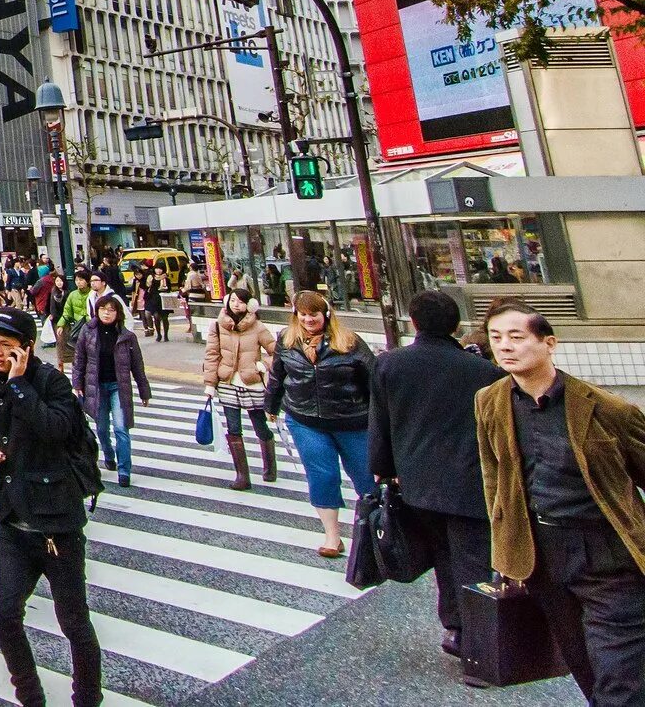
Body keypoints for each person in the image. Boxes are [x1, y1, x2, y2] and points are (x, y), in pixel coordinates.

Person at [477, 299, 645, 704]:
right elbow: (494, 478)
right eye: (496, 338)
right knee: (584, 665)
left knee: (619, 674)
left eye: (517, 337)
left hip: (607, 553)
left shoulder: (608, 409)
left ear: (548, 342)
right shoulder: (489, 400)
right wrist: (505, 554)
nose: (505, 347)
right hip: (542, 554)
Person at [0, 306, 103, 707]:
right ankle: (29, 694)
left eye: (7, 346)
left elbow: (55, 429)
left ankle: (87, 696)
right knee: (5, 613)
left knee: (74, 622)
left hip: (56, 523)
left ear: (27, 348)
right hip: (13, 518)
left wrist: (18, 385)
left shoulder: (50, 382)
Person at [368, 289, 504, 659]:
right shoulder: (485, 372)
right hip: (469, 480)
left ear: (413, 321)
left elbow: (381, 423)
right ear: (456, 325)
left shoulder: (389, 364)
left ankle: (456, 626)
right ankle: (478, 643)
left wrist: (383, 470)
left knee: (444, 554)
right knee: (474, 558)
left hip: (417, 481)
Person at [264, 289, 374, 558]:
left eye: (313, 314)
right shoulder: (286, 341)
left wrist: (380, 416)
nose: (308, 319)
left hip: (352, 420)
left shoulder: (349, 342)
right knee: (322, 476)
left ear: (326, 314)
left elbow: (373, 380)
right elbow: (278, 375)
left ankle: (375, 532)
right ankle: (332, 536)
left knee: (366, 476)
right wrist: (271, 405)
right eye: (302, 314)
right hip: (305, 419)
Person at [200, 288, 278, 491]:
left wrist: (264, 365)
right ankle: (242, 476)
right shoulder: (217, 326)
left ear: (249, 305)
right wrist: (209, 383)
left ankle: (270, 466)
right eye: (233, 300)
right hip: (227, 382)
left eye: (241, 302)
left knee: (260, 425)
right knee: (233, 429)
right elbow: (211, 355)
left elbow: (277, 352)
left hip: (252, 382)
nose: (236, 304)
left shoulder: (258, 327)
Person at [70, 291, 150, 489]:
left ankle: (125, 470)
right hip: (96, 387)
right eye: (103, 310)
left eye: (111, 310)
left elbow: (137, 366)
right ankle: (108, 453)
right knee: (102, 428)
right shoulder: (87, 332)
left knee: (121, 428)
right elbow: (79, 360)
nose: (107, 313)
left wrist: (144, 390)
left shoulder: (127, 337)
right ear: (97, 311)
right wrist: (77, 384)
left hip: (118, 387)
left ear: (118, 313)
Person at [54, 269, 90, 373]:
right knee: (76, 352)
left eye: (81, 280)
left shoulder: (93, 294)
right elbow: (67, 312)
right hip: (78, 328)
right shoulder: (73, 295)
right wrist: (61, 325)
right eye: (77, 280)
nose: (78, 282)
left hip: (91, 327)